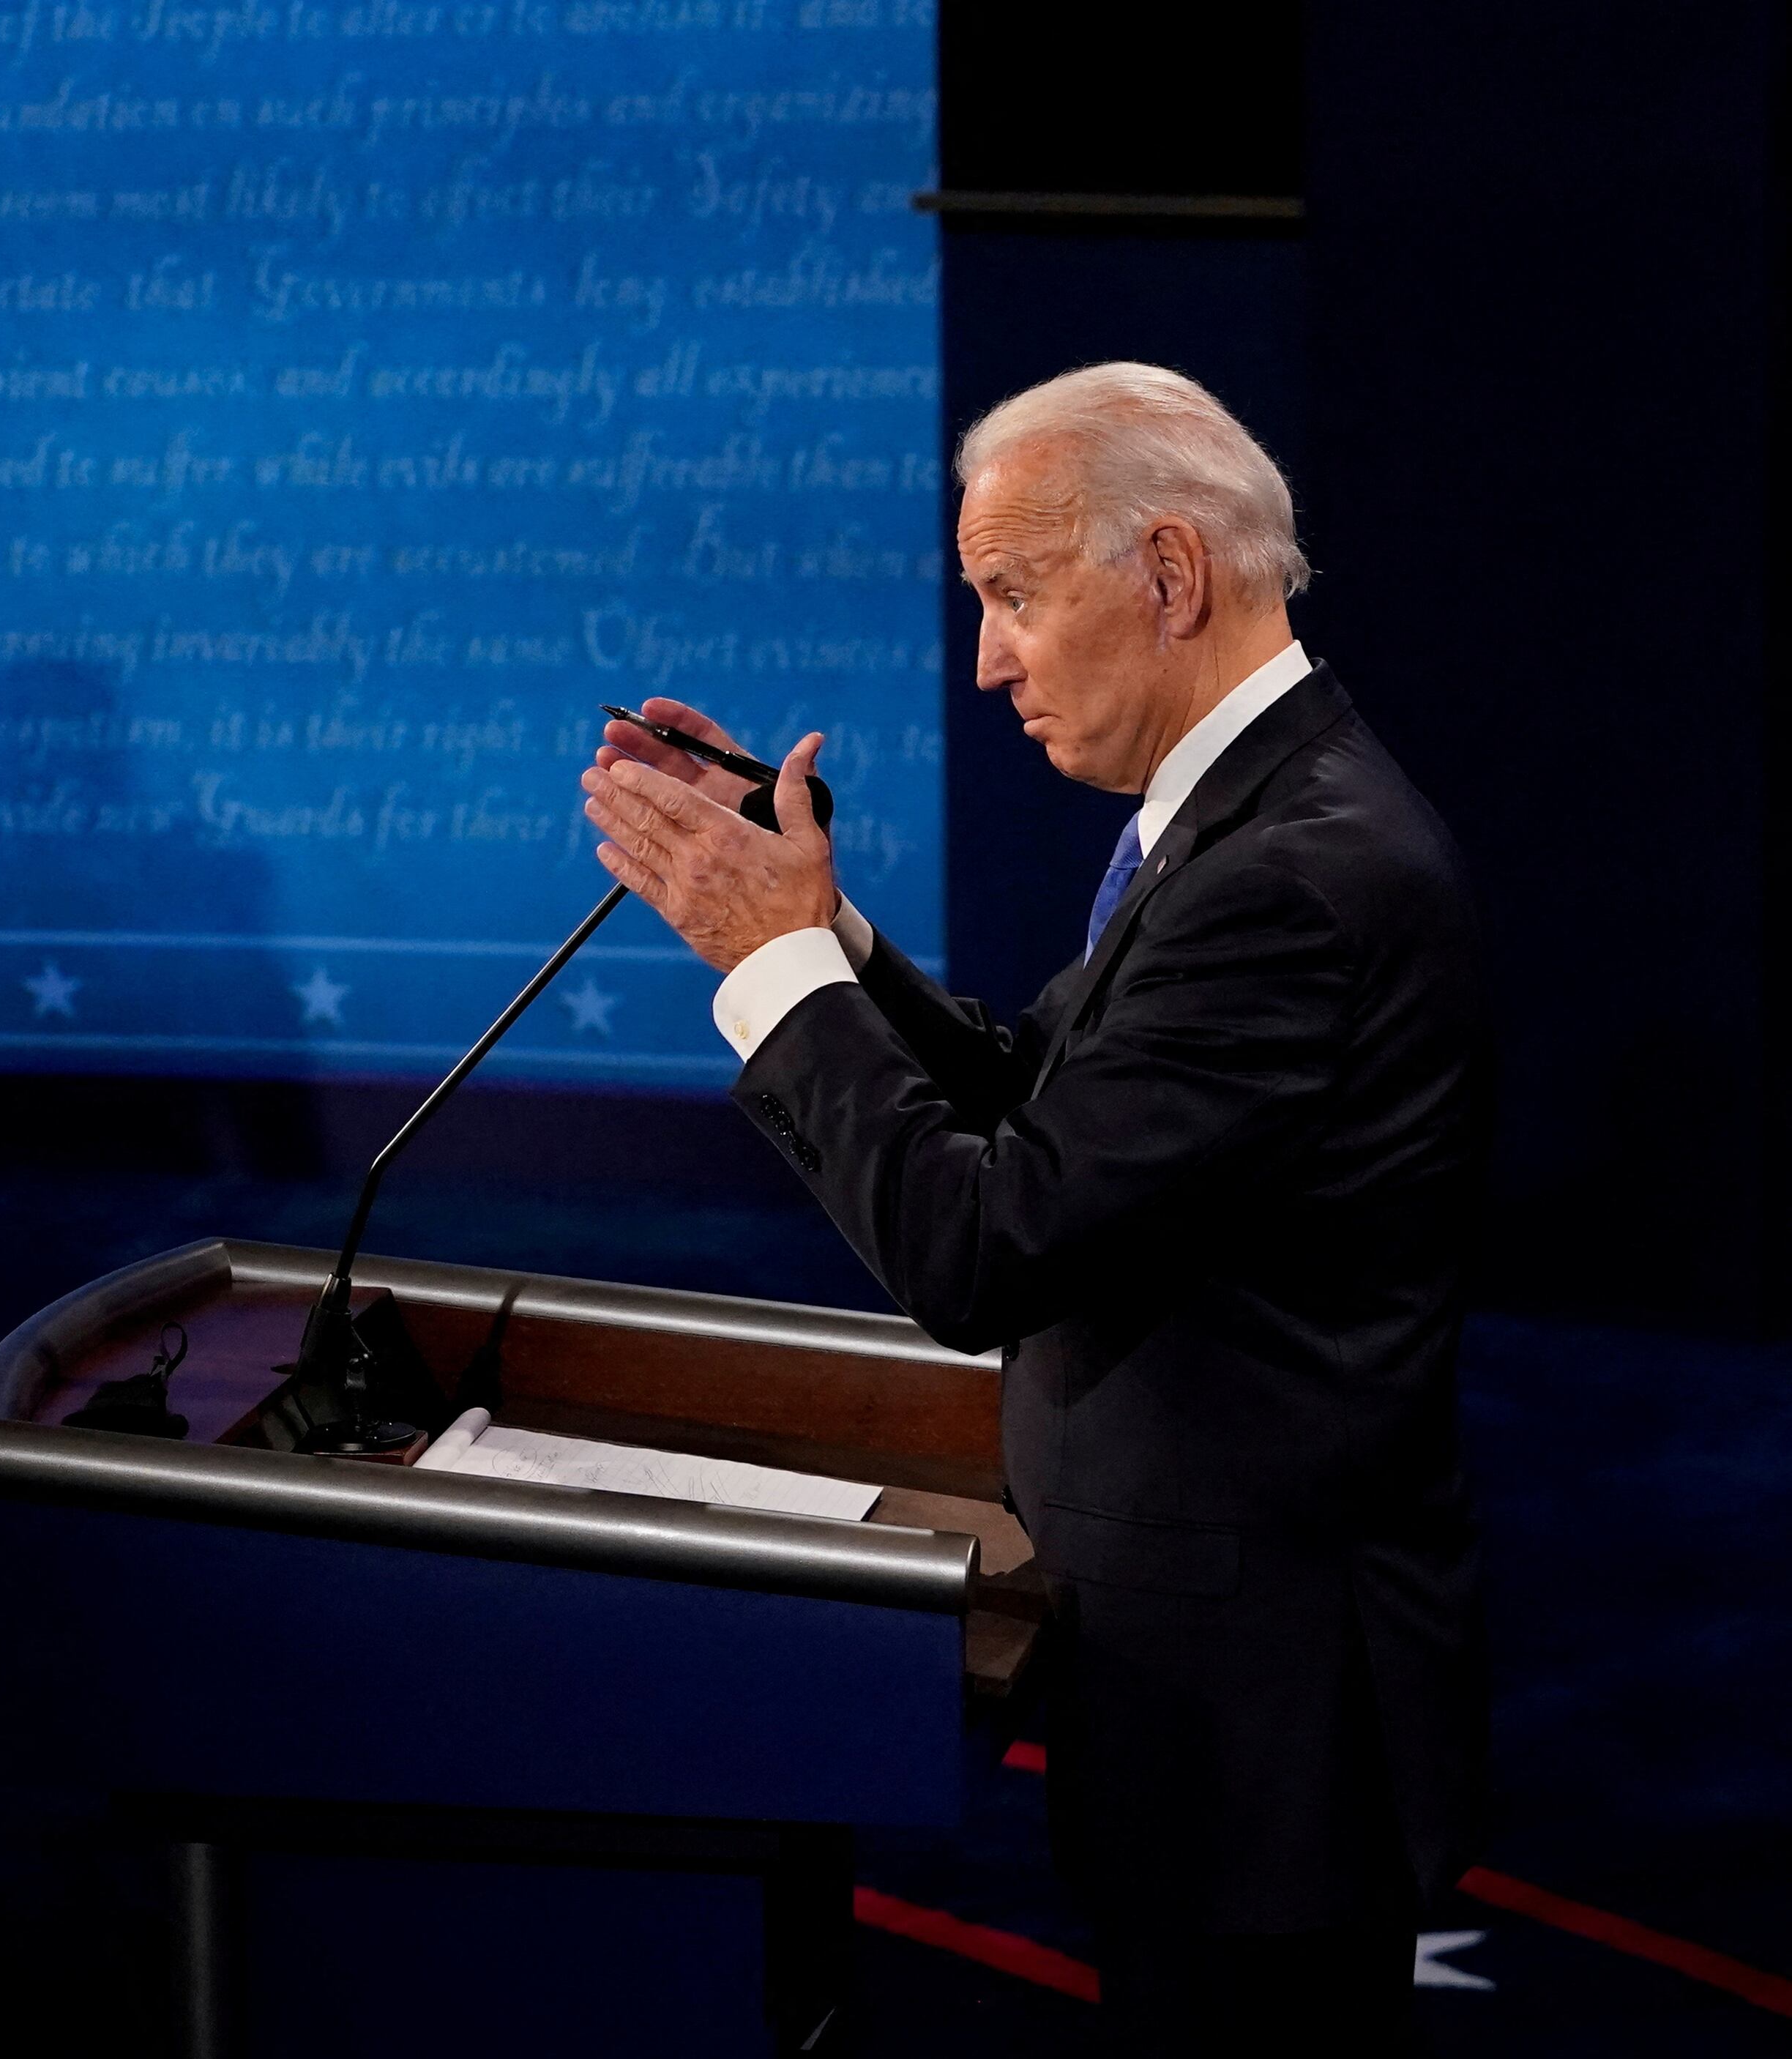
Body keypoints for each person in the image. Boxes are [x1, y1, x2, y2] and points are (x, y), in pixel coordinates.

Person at [581, 363, 1490, 2054]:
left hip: (1264, 1728)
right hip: (1217, 1693)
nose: (988, 657)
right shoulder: (1245, 815)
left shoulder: (1290, 872)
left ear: (1166, 572)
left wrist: (767, 964)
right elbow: (1054, 1102)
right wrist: (825, 937)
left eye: (1009, 593)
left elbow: (985, 1242)